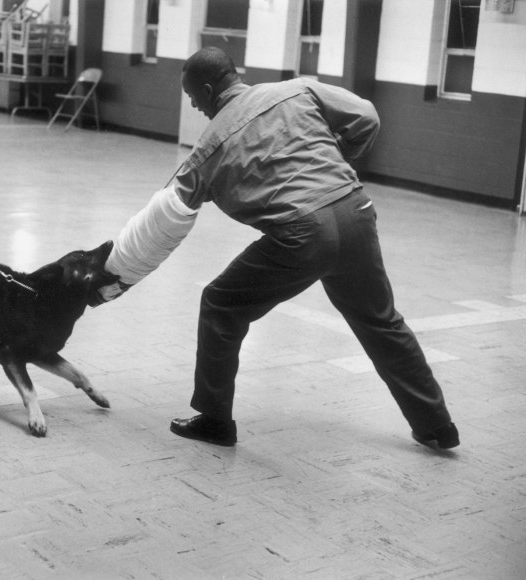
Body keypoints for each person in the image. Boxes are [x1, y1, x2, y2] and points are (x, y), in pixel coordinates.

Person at [92, 47, 458, 450]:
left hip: (302, 234)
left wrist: (116, 275)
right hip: (355, 211)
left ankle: (214, 420)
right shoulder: (296, 90)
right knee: (381, 320)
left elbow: (162, 216)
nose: (195, 106)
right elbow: (366, 116)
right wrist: (340, 158)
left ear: (210, 88)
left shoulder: (208, 148)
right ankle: (436, 426)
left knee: (220, 304)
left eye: (194, 96)